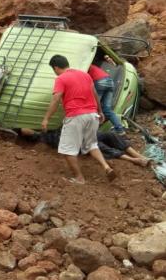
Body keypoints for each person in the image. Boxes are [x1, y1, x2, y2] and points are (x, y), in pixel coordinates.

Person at [42, 54, 116, 184]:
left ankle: (79, 178)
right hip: (92, 115)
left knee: (67, 149)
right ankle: (106, 167)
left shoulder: (61, 78)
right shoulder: (85, 75)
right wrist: (100, 111)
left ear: (56, 67)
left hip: (76, 116)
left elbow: (56, 99)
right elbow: (95, 95)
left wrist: (46, 118)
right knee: (92, 144)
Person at [19, 128, 151, 167]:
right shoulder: (41, 137)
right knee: (100, 146)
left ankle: (138, 155)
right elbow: (24, 130)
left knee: (111, 135)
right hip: (77, 141)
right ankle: (134, 160)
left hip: (83, 133)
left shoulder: (48, 121)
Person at [88, 52, 125, 134]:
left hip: (100, 82)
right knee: (107, 109)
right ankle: (119, 129)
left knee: (93, 107)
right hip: (110, 82)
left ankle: (91, 132)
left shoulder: (85, 68)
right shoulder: (94, 67)